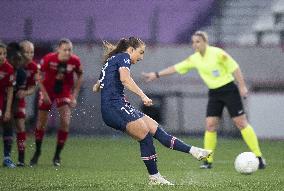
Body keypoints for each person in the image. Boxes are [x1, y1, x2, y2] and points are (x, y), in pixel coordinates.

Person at [93, 37, 212, 185]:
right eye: (140, 52)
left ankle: (194, 151)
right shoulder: (124, 57)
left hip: (119, 105)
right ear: (130, 50)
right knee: (145, 135)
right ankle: (154, 177)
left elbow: (96, 86)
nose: (141, 57)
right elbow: (125, 79)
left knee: (154, 128)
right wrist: (143, 95)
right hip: (114, 108)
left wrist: (100, 85)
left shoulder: (112, 60)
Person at [142, 31, 266, 169]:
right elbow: (176, 68)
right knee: (210, 125)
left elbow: (235, 68)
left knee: (241, 123)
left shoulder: (218, 53)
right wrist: (156, 74)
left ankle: (259, 157)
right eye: (193, 42)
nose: (195, 44)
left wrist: (242, 86)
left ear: (205, 42)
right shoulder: (194, 58)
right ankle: (208, 161)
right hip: (214, 93)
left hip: (229, 90)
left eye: (198, 41)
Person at [30, 38, 83, 167]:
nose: (67, 52)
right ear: (58, 49)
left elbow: (80, 75)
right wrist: (44, 93)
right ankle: (37, 151)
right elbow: (38, 75)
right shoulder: (49, 58)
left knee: (65, 121)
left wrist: (74, 95)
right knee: (41, 123)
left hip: (64, 91)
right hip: (47, 89)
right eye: (65, 49)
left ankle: (57, 155)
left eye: (70, 49)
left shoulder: (75, 61)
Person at [11, 40, 38, 167]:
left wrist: (25, 93)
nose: (30, 55)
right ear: (20, 53)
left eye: (32, 52)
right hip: (4, 98)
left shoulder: (33, 67)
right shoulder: (12, 64)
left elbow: (33, 87)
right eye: (26, 52)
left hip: (18, 99)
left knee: (21, 127)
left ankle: (21, 159)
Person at [0, 43, 16, 168]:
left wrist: (7, 110)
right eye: (0, 54)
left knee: (8, 125)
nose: (2, 56)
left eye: (4, 54)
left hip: (3, 101)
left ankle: (7, 157)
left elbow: (10, 90)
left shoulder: (9, 68)